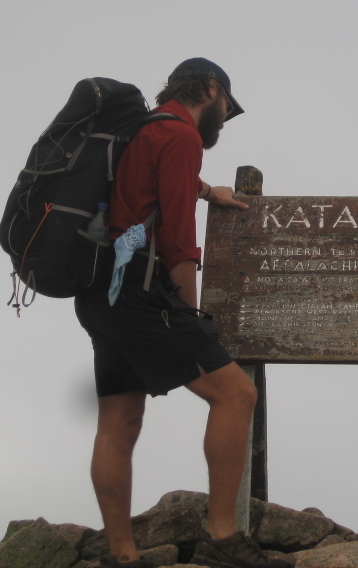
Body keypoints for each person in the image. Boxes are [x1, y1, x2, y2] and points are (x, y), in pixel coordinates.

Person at [74, 58, 289, 568]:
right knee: (236, 393)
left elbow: (151, 184)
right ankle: (222, 539)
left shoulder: (144, 128)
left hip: (101, 292)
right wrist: (188, 311)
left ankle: (122, 555)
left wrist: (205, 188)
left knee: (118, 421)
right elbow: (176, 237)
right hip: (144, 294)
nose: (224, 118)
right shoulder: (181, 136)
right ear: (210, 89)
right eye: (225, 107)